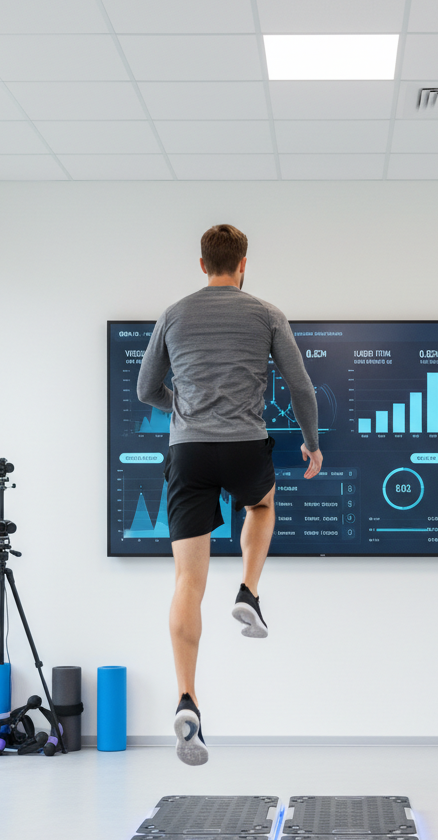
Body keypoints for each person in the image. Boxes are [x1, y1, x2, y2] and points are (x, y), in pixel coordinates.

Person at [136, 224, 321, 766]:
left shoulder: (173, 313)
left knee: (187, 581)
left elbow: (147, 388)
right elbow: (301, 386)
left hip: (189, 451)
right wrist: (312, 445)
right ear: (244, 264)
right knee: (260, 505)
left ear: (201, 265)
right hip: (244, 446)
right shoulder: (265, 313)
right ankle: (247, 591)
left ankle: (187, 697)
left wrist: (184, 409)